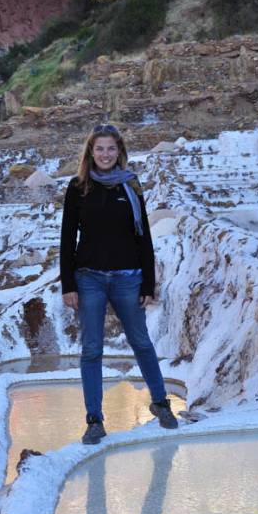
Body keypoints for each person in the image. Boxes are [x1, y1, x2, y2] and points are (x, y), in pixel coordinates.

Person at [60, 123, 178, 445]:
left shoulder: (131, 185)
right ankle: (95, 419)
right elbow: (67, 238)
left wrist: (148, 284)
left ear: (119, 152)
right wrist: (67, 284)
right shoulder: (78, 187)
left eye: (111, 149)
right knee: (92, 349)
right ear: (90, 152)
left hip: (128, 277)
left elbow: (144, 236)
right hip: (90, 279)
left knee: (141, 343)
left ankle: (160, 402)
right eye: (99, 149)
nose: (105, 154)